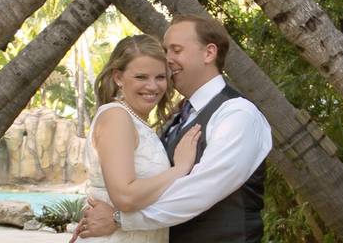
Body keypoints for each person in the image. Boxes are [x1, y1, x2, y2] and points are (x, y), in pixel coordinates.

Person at [75, 15, 272, 243]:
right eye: (166, 51)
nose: (167, 60)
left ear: (209, 53)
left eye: (176, 50)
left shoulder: (237, 114)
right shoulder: (179, 116)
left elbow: (202, 189)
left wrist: (120, 220)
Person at [78, 34, 202, 242]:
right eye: (141, 77)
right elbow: (125, 197)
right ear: (118, 77)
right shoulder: (117, 117)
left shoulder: (136, 121)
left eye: (160, 77)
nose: (153, 87)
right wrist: (179, 169)